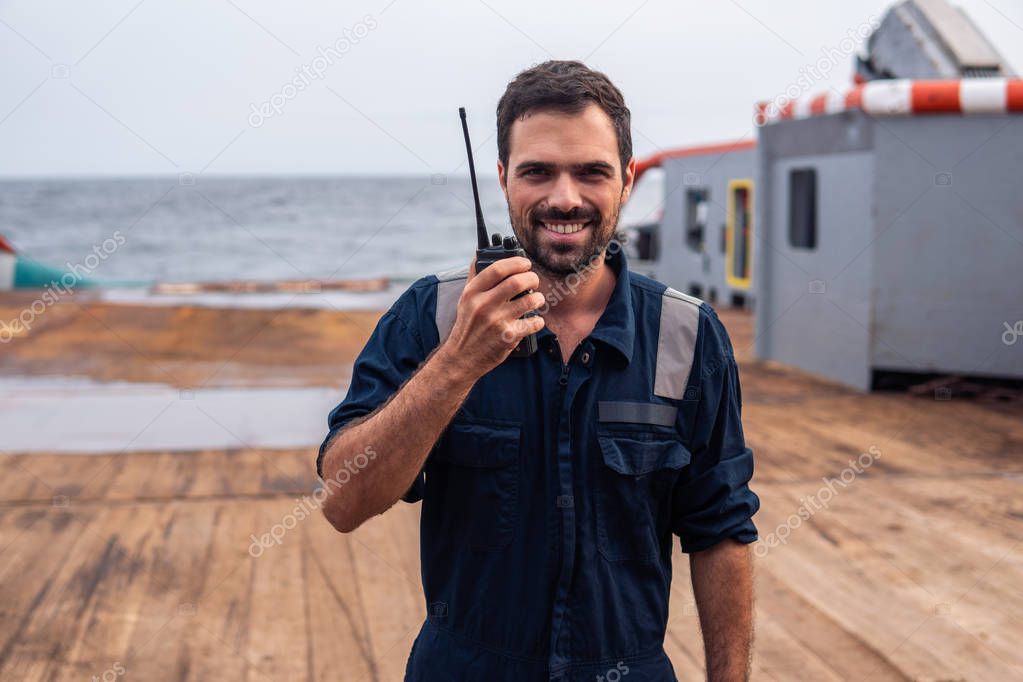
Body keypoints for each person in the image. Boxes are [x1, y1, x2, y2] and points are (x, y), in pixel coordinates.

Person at [317, 60, 760, 682]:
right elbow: (341, 500)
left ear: (627, 180)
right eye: (538, 172)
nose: (564, 198)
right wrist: (456, 364)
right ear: (502, 179)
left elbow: (720, 531)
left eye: (591, 172)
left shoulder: (687, 335)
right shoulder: (431, 315)